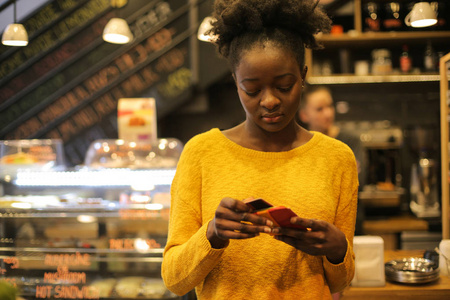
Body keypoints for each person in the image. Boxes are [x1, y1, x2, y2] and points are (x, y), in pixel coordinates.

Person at [162, 1, 358, 299]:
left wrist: (338, 250)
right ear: (236, 83)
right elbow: (175, 280)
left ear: (303, 75)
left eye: (284, 85)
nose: (269, 101)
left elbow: (340, 281)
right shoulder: (201, 153)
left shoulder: (337, 158)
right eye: (252, 89)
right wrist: (212, 234)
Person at [298, 85, 365, 187]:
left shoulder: (351, 141)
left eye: (330, 106)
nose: (328, 114)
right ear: (304, 115)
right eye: (319, 109)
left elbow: (357, 182)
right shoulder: (301, 145)